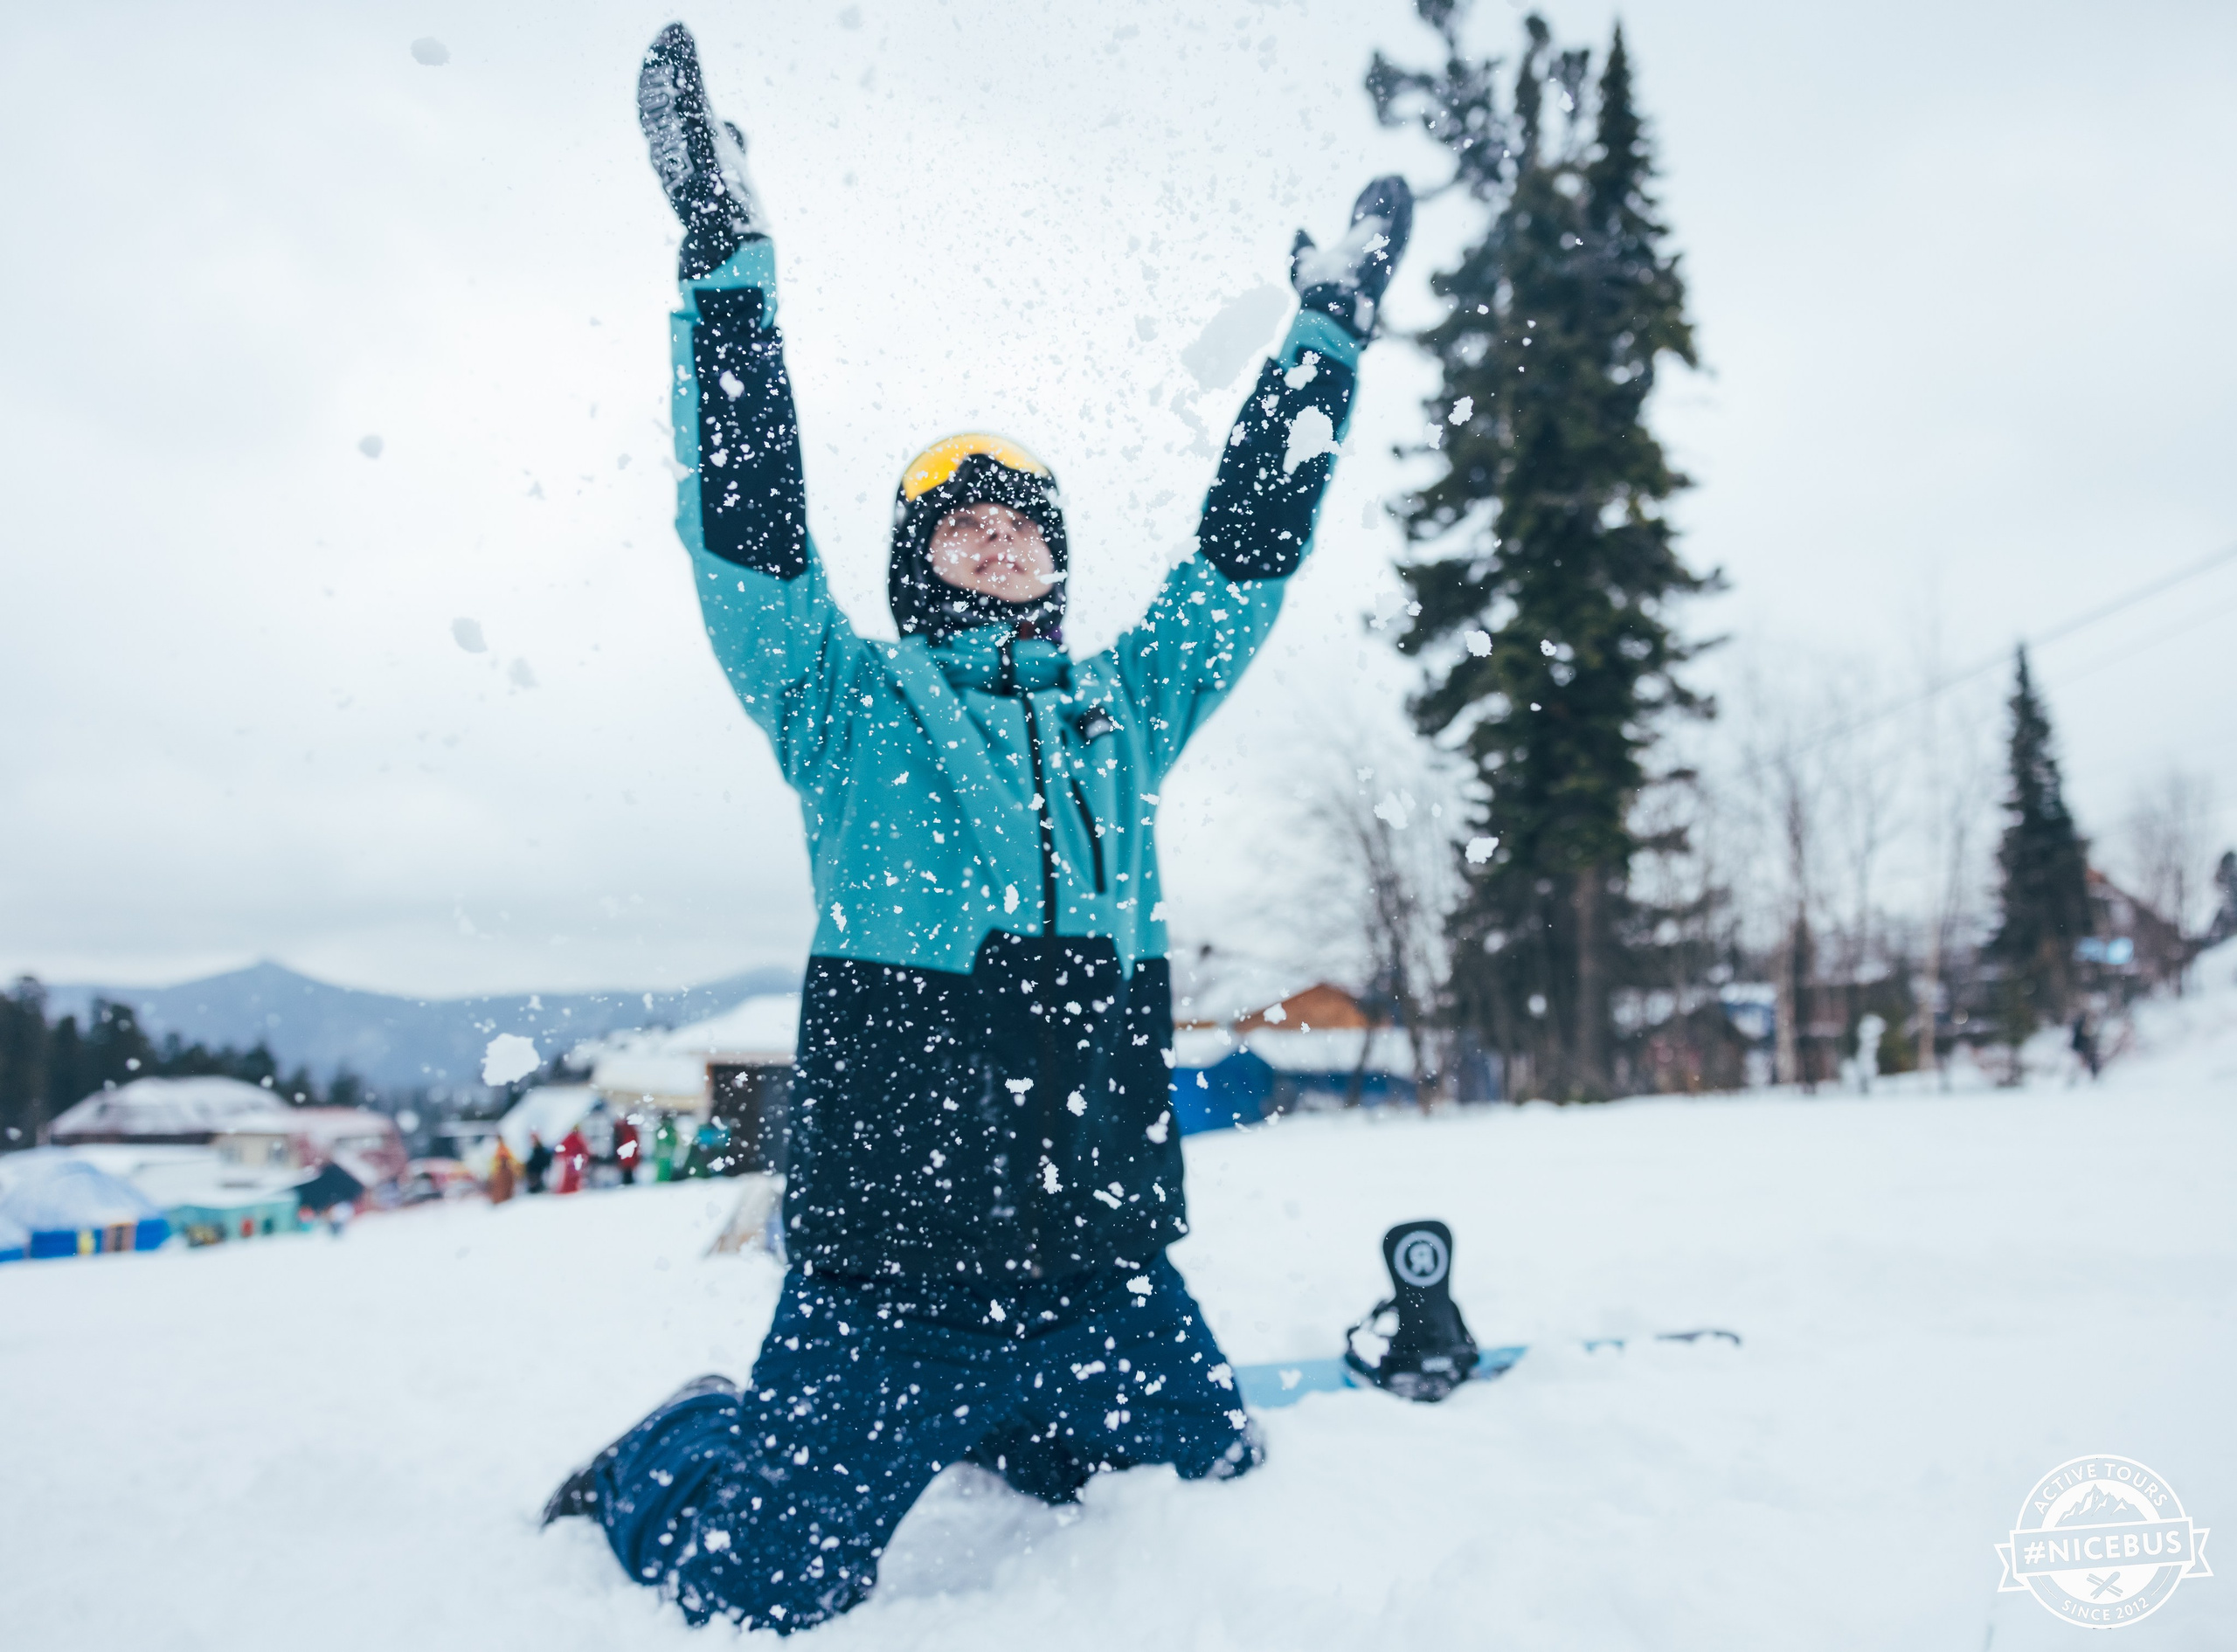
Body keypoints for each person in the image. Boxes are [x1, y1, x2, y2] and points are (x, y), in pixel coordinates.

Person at [542, 23, 1411, 1634]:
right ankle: (673, 1447)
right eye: (961, 522)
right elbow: (750, 530)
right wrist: (725, 261)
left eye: (1025, 520)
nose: (999, 536)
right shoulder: (844, 706)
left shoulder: (1126, 711)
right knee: (758, 1595)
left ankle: (1020, 1424)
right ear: (917, 565)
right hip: (892, 1290)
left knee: (1222, 1503)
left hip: (1102, 1273)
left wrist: (1326, 337)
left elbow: (1245, 555)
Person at [557, 1124, 592, 1195]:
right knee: (570, 1177)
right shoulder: (576, 1138)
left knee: (573, 1177)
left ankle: (570, 1190)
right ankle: (569, 1190)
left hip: (574, 1160)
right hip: (572, 1160)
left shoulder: (576, 1137)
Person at [613, 1111, 641, 1186]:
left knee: (627, 1173)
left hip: (626, 1156)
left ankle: (627, 1184)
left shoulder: (623, 1129)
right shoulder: (630, 1129)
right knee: (628, 1173)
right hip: (628, 1156)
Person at [523, 1130, 553, 1196]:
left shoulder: (542, 1151)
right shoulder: (532, 1151)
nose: (532, 1141)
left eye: (533, 1138)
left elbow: (546, 1165)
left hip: (540, 1178)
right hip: (535, 1180)